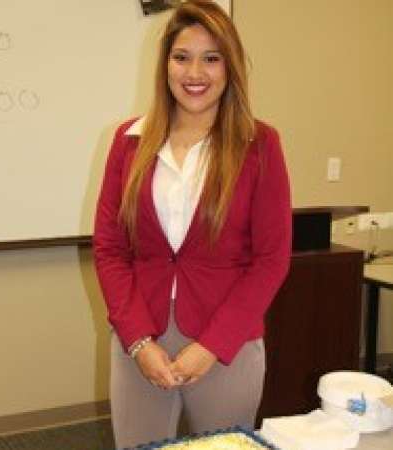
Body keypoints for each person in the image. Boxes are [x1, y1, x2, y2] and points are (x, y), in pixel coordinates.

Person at [93, 1, 291, 448]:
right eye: (182, 57)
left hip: (227, 342)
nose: (194, 72)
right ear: (165, 64)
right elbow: (110, 248)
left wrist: (211, 346)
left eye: (211, 57)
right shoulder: (129, 142)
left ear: (230, 67)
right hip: (140, 337)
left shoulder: (259, 144)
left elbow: (271, 259)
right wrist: (140, 343)